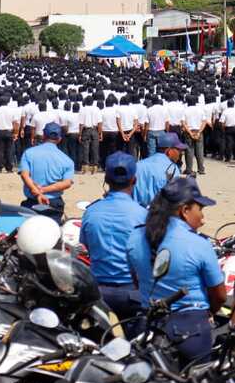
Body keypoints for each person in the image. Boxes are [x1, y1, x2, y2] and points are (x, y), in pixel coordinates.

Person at [126, 177, 225, 364]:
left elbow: (137, 281)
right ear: (185, 210)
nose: (202, 217)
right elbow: (219, 295)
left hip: (149, 326)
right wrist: (209, 312)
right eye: (200, 209)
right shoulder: (199, 244)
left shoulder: (135, 237)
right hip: (192, 330)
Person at [79, 152, 148, 333]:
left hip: (98, 293)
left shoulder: (91, 212)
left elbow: (85, 246)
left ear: (106, 179)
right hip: (132, 295)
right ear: (134, 180)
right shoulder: (142, 215)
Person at [18, 123, 75, 222]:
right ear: (59, 139)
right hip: (53, 203)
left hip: (32, 201)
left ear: (43, 135)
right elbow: (67, 183)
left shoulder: (29, 153)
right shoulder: (67, 160)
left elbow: (24, 175)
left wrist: (36, 191)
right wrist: (44, 190)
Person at [132, 132, 184, 207]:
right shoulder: (172, 168)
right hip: (159, 215)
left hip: (137, 213)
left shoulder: (138, 165)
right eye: (178, 149)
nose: (180, 153)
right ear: (169, 151)